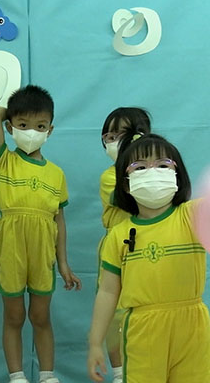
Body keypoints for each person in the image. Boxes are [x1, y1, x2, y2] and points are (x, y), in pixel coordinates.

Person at [88, 132, 210, 382]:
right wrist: (95, 343)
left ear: (177, 175)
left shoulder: (193, 216)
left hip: (194, 328)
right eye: (140, 167)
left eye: (163, 165)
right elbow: (108, 292)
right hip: (143, 330)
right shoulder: (118, 236)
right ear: (125, 183)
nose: (152, 172)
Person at [0, 85, 82, 383]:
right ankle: (17, 375)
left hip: (43, 249)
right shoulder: (4, 160)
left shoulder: (56, 173)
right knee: (14, 316)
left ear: (50, 130)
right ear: (10, 127)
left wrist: (63, 263)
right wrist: (15, 112)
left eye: (40, 126)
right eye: (23, 125)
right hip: (11, 246)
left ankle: (47, 374)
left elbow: (59, 221)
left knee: (41, 316)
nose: (32, 132)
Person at [98, 107, 151, 383]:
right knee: (115, 316)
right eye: (110, 136)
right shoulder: (110, 176)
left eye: (125, 134)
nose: (116, 141)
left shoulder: (159, 174)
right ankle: (119, 373)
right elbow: (132, 200)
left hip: (150, 250)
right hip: (118, 252)